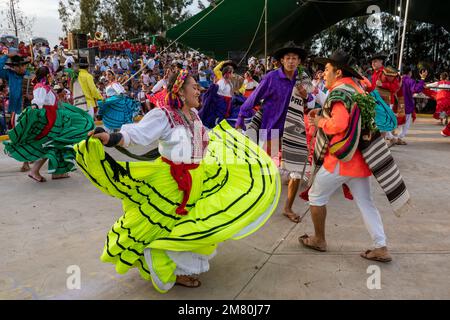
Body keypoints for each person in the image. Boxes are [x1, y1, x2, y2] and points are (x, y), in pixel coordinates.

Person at [73, 69, 281, 293]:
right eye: (194, 87)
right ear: (180, 91)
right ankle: (163, 261)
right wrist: (110, 137)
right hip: (172, 183)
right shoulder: (164, 115)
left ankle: (175, 263)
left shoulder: (195, 115)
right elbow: (137, 134)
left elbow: (205, 141)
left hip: (197, 179)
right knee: (167, 228)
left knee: (198, 225)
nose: (199, 91)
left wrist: (234, 149)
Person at [299, 50, 410, 262]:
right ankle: (381, 246)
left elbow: (339, 124)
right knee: (366, 203)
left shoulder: (340, 92)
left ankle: (319, 240)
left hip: (342, 160)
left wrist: (320, 122)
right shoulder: (358, 88)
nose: (323, 74)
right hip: (361, 160)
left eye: (328, 70)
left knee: (316, 196)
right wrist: (323, 115)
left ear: (338, 72)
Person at [236, 42, 311, 223]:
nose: (291, 61)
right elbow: (253, 98)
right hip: (272, 129)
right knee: (265, 167)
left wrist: (305, 95)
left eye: (294, 58)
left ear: (299, 61)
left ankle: (287, 208)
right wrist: (240, 118)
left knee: (296, 171)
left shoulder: (303, 79)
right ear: (281, 61)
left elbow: (310, 103)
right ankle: (256, 199)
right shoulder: (271, 78)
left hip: (294, 129)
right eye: (288, 58)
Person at [3, 67, 94, 182]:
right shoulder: (40, 87)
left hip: (54, 118)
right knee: (51, 144)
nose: (52, 77)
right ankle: (35, 171)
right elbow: (38, 102)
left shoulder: (45, 87)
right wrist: (34, 108)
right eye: (50, 75)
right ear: (46, 76)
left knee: (56, 144)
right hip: (49, 120)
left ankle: (56, 172)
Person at [0, 53, 32, 172]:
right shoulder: (10, 74)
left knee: (26, 135)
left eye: (23, 65)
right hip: (16, 110)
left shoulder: (29, 76)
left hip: (28, 109)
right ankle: (27, 160)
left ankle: (26, 162)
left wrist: (31, 96)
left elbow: (37, 92)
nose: (21, 68)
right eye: (18, 66)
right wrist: (7, 55)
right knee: (20, 136)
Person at [392, 66, 427, 145]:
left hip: (396, 104)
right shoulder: (409, 81)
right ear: (410, 73)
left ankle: (392, 135)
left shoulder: (397, 79)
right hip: (406, 104)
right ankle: (399, 138)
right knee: (406, 123)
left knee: (398, 121)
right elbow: (416, 89)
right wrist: (422, 79)